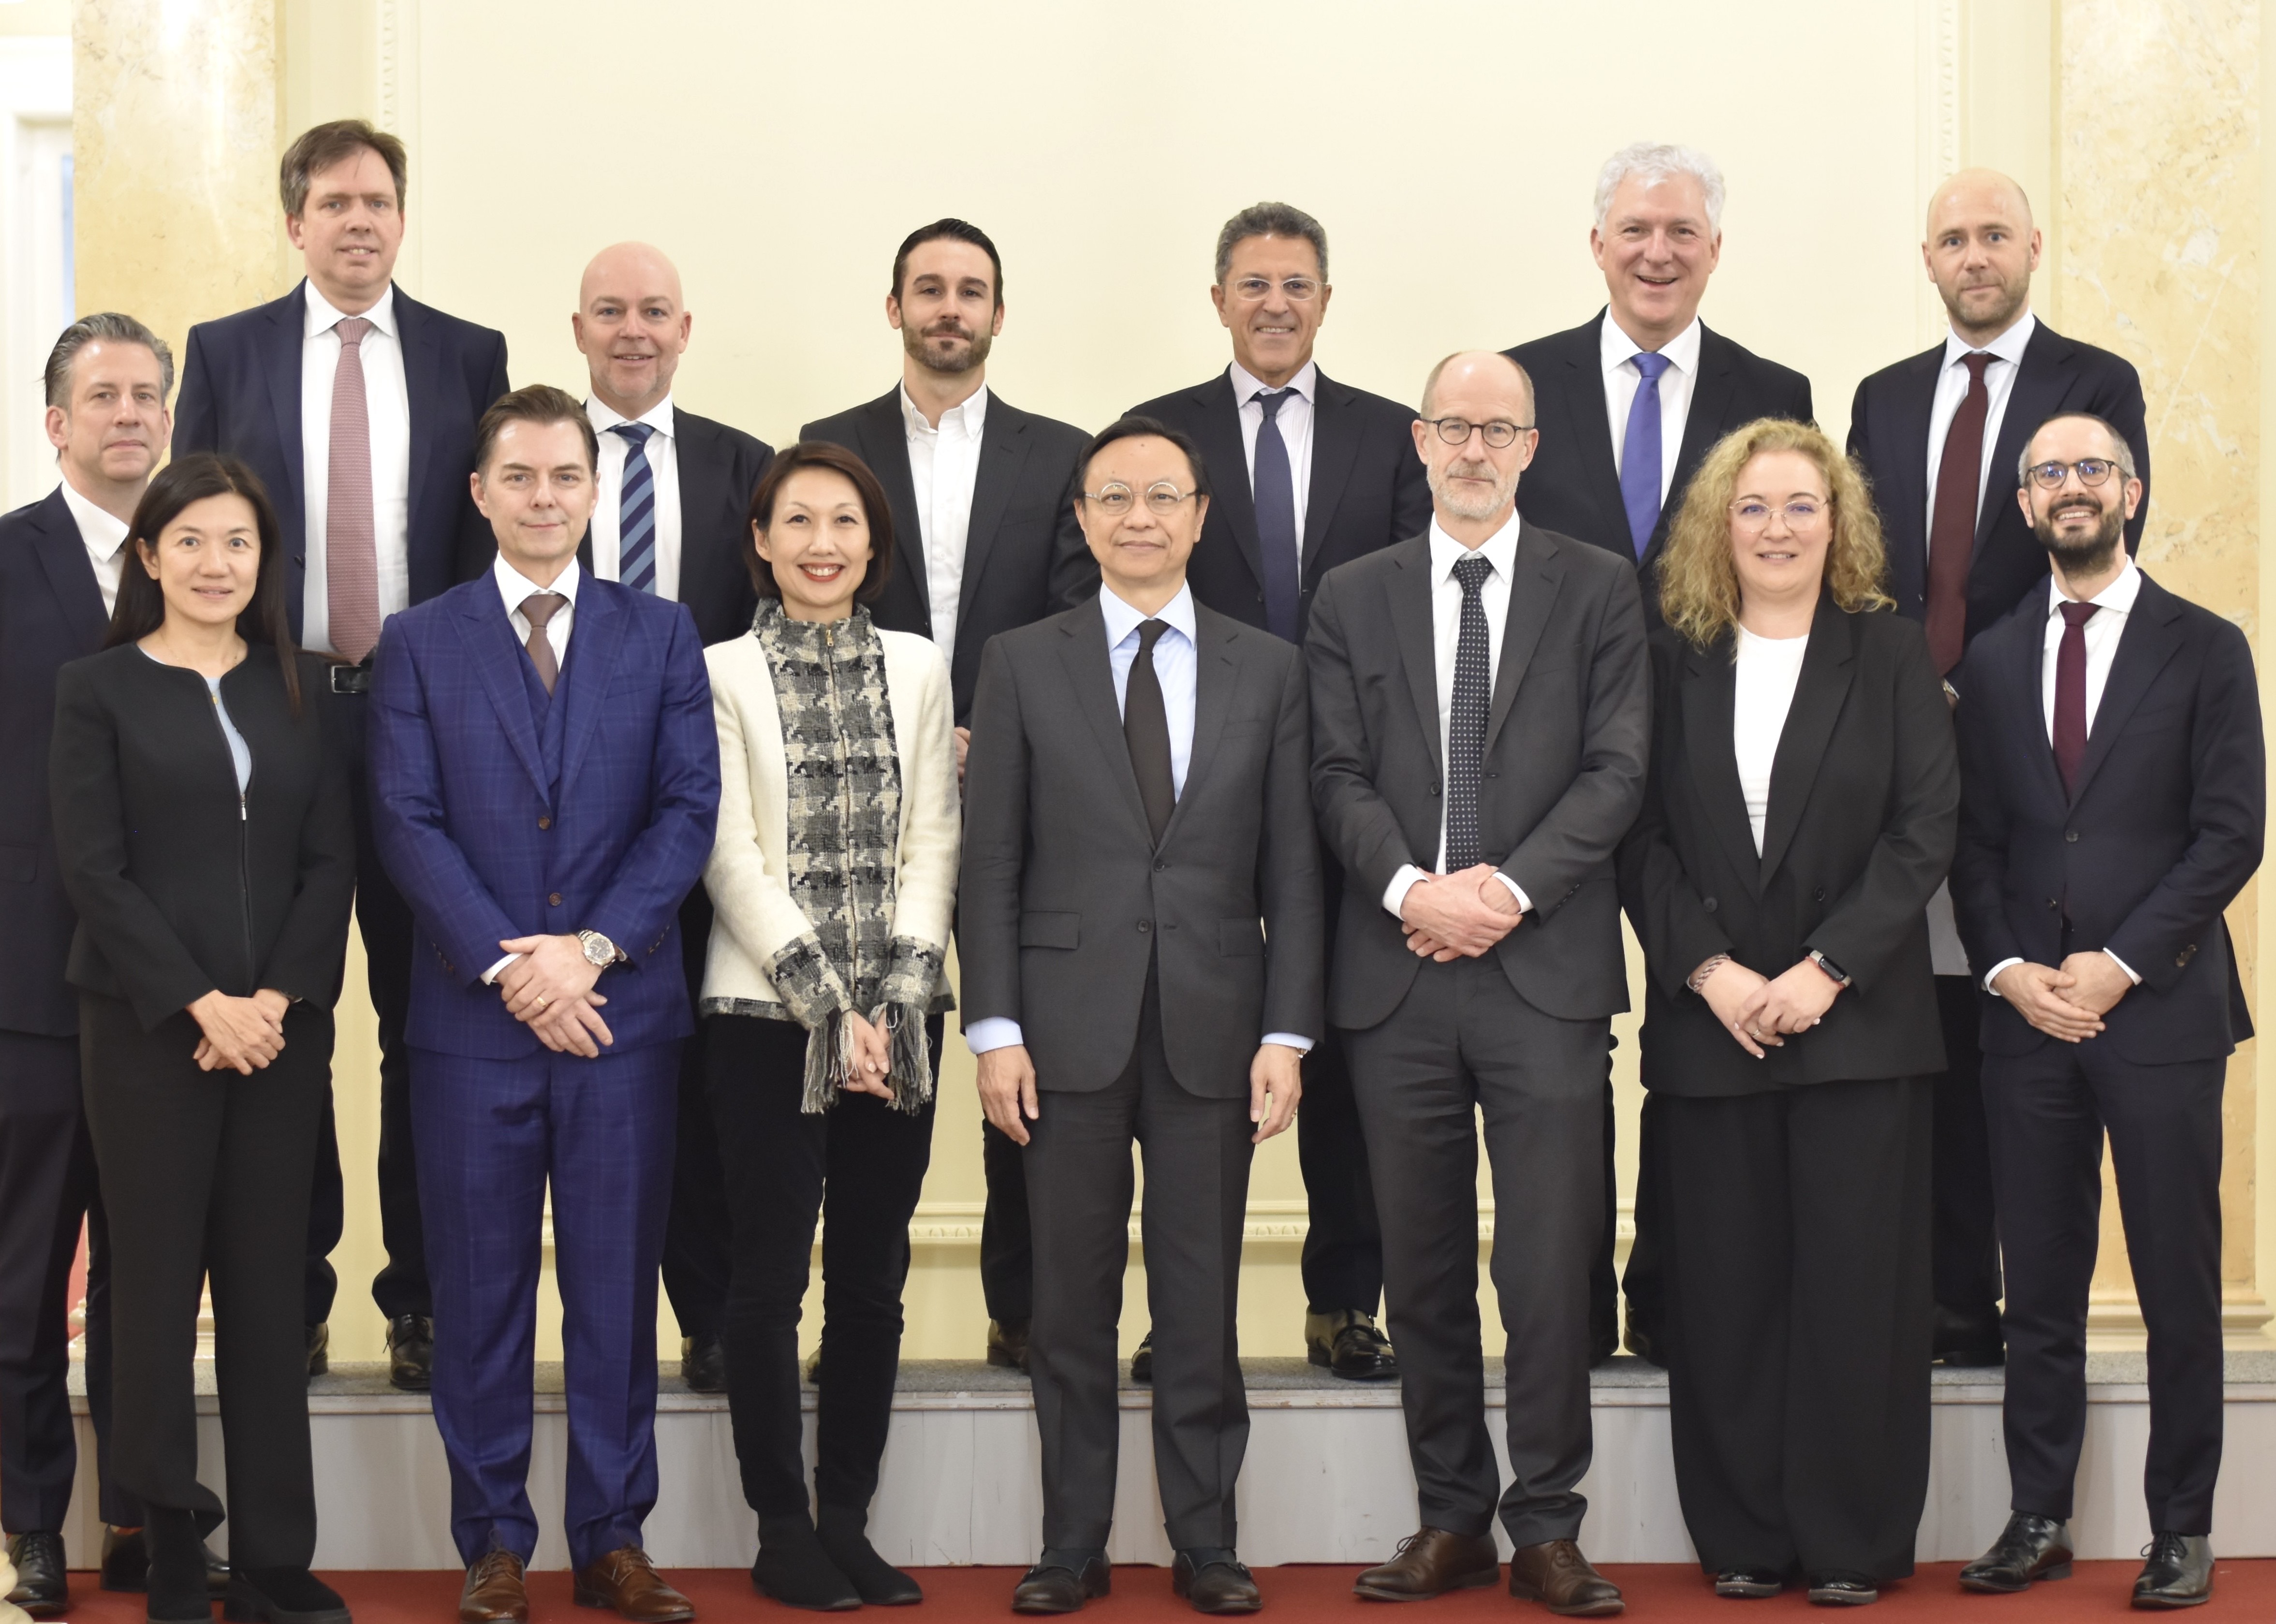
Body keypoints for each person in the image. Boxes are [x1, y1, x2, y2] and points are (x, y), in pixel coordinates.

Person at [368, 386, 718, 1624]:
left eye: (566, 477)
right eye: (519, 478)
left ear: (594, 490)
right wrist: (517, 969)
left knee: (619, 1290)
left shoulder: (662, 633)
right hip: (472, 1029)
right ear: (481, 493)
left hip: (620, 1019)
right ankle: (494, 1541)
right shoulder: (419, 639)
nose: (544, 499)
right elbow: (404, 823)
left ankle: (614, 1537)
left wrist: (592, 949)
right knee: (478, 1290)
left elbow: (686, 811)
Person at [960, 416, 1320, 1615]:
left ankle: (1205, 1542)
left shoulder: (1268, 668)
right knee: (1067, 1303)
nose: (1138, 517)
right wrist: (993, 1028)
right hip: (1058, 1032)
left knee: (1199, 1298)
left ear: (1200, 516)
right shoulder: (1020, 660)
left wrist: (1287, 1032)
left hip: (1217, 1026)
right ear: (1081, 518)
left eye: (1162, 495)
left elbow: (1292, 875)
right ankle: (1070, 1545)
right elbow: (993, 861)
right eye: (1112, 496)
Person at [173, 118, 512, 1390]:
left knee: (432, 1021)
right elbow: (196, 531)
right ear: (295, 221)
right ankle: (291, 1295)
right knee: (291, 1015)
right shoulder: (227, 353)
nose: (359, 221)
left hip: (427, 717)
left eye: (378, 200)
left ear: (400, 218)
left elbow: (489, 551)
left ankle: (420, 1302)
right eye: (334, 202)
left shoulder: (467, 353)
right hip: (284, 719)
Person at [1307, 351, 1647, 1615]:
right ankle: (1450, 1518)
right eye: (1451, 426)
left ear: (1528, 445)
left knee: (1551, 1264)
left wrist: (1498, 893)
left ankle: (1547, 1525)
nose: (1470, 447)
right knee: (1425, 1265)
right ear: (1417, 440)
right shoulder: (1353, 595)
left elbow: (1617, 771)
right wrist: (1414, 892)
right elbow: (1332, 771)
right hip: (1396, 977)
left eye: (1493, 429)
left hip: (1543, 973)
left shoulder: (1598, 589)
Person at [1618, 419, 1957, 1604]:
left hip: (1858, 1029)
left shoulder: (1891, 652)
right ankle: (1745, 1540)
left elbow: (1924, 831)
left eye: (1799, 507)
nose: (1775, 528)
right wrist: (1711, 974)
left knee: (1857, 1298)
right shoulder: (1671, 658)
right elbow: (1638, 837)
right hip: (1712, 1032)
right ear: (1721, 525)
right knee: (1725, 1294)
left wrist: (1825, 970)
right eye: (1752, 508)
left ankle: (1853, 1543)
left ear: (1838, 523)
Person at [1503, 142, 1812, 1368]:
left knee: (1703, 1025)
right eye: (1634, 229)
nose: (1656, 251)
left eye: (1681, 231)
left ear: (1713, 251)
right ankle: (1573, 1313)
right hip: (1548, 772)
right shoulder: (1521, 382)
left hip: (1712, 761)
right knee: (1563, 1049)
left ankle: (1675, 1301)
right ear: (1596, 244)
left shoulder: (1770, 385)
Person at [1951, 412, 2262, 1611]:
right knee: (2035, 1282)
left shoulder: (2204, 645)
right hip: (2024, 1017)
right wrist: (2012, 971)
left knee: (2178, 1283)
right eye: (2047, 475)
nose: (2069, 488)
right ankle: (2037, 1516)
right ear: (2024, 505)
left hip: (2160, 1010)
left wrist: (2116, 965)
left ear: (2129, 490)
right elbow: (1969, 845)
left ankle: (2179, 1526)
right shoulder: (1987, 655)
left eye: (2091, 469)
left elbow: (2228, 830)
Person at [1848, 171, 2152, 1369]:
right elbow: (1857, 563)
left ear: (2032, 245)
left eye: (1992, 236)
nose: (1973, 256)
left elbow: (2097, 557)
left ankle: (2001, 1320)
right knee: (1914, 1014)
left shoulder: (2094, 384)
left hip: (2030, 750)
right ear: (1926, 259)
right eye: (1951, 240)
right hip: (1898, 759)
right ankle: (1935, 1297)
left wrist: (1975, 687)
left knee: (2001, 1020)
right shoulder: (1879, 397)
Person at [1126, 200, 1428, 1384]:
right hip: (1192, 785)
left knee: (1346, 1050)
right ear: (1217, 300)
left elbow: (1412, 604)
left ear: (1324, 301)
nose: (1273, 303)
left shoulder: (1384, 435)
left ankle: (1343, 1303)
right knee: (1187, 1053)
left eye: (1295, 284)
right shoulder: (1159, 437)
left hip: (1356, 782)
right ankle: (1179, 1318)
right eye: (1251, 283)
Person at [51, 453, 357, 1624]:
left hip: (281, 1034)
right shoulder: (100, 688)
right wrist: (199, 1004)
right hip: (145, 1034)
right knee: (155, 1283)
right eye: (190, 542)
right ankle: (171, 1539)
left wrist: (273, 1000)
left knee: (273, 1290)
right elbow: (96, 870)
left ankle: (279, 1556)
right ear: (150, 557)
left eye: (236, 543)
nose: (215, 563)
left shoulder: (308, 686)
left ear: (261, 560)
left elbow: (332, 861)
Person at [804, 217, 1094, 1374]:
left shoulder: (1060, 451)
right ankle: (854, 1314)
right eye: (928, 288)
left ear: (998, 314)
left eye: (970, 291)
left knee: (1026, 1046)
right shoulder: (833, 445)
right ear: (894, 309)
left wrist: (995, 733)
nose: (949, 308)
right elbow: (810, 601)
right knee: (875, 1058)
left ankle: (1021, 1308)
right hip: (867, 806)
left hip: (1025, 798)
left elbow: (1077, 620)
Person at [698, 442, 957, 1611]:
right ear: (761, 540)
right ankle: (781, 1526)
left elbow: (933, 843)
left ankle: (847, 1516)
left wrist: (891, 1004)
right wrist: (824, 1007)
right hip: (764, 1014)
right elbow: (729, 857)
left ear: (872, 543)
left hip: (899, 1013)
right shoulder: (717, 671)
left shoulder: (917, 665)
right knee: (766, 1283)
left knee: (871, 1280)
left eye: (842, 522)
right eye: (795, 521)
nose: (819, 543)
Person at [0, 315, 225, 1613]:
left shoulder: (205, 563)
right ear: (57, 423)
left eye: (149, 394)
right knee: (27, 1274)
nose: (130, 414)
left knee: (154, 1277)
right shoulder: (10, 560)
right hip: (32, 984)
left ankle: (146, 1515)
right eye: (104, 396)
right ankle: (34, 1522)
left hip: (175, 988)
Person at [571, 240, 777, 1395]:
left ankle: (706, 1313)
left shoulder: (741, 464)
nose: (634, 330)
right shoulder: (540, 462)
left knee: (699, 1069)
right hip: (561, 817)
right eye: (612, 311)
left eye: (654, 311)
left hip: (710, 812)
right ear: (579, 327)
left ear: (685, 330)